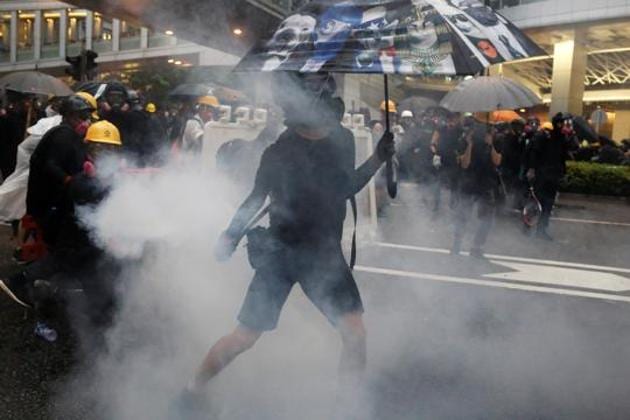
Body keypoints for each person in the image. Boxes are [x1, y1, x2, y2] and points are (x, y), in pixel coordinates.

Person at [173, 72, 395, 417]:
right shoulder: (280, 151)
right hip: (281, 252)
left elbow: (344, 186)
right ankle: (191, 390)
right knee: (246, 336)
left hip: (323, 255)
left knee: (354, 333)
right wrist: (229, 235)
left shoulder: (341, 140)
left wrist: (379, 159)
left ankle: (347, 405)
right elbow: (255, 198)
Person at [0, 120, 122, 342]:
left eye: (110, 148)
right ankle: (25, 292)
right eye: (99, 147)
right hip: (72, 241)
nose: (105, 153)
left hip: (88, 245)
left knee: (94, 288)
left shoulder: (102, 175)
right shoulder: (83, 177)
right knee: (57, 275)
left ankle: (104, 328)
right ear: (89, 148)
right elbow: (84, 193)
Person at [452, 123, 502, 258]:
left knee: (487, 219)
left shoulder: (492, 142)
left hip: (485, 184)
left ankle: (477, 246)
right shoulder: (463, 141)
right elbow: (464, 164)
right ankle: (457, 244)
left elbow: (497, 161)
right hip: (468, 183)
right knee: (463, 216)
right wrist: (470, 145)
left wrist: (490, 145)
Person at [527, 113, 577, 240]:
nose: (566, 126)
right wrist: (531, 169)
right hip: (541, 175)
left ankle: (541, 230)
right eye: (565, 123)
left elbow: (571, 151)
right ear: (559, 124)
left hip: (554, 176)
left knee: (548, 205)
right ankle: (527, 227)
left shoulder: (562, 138)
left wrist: (572, 135)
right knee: (536, 203)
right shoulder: (545, 136)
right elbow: (533, 153)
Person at [430, 111, 463, 213]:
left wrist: (460, 155)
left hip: (453, 158)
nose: (452, 121)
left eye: (454, 119)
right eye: (450, 119)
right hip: (441, 158)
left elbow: (462, 144)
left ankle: (453, 205)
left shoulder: (459, 130)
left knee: (454, 182)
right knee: (438, 181)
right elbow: (432, 143)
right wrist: (435, 153)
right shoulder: (441, 128)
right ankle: (436, 205)